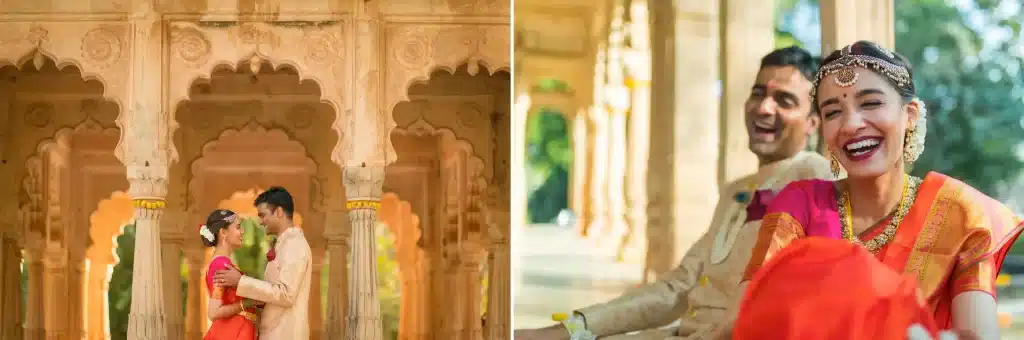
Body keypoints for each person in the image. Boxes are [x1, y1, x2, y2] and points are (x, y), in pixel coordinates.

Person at [513, 46, 833, 340]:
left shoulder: (812, 177)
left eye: (785, 101)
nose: (764, 108)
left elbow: (774, 306)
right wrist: (573, 328)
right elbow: (679, 286)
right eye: (758, 94)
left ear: (813, 123)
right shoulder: (737, 190)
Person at [736, 41, 1024, 340]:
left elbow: (978, 336)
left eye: (870, 103)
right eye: (833, 112)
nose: (851, 124)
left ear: (909, 114)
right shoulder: (799, 205)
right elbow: (755, 316)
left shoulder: (958, 212)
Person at [213, 187, 312, 339]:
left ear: (279, 212)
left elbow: (285, 294)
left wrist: (241, 282)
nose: (260, 222)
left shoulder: (295, 244)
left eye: (263, 215)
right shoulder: (283, 244)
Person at [201, 209, 261, 340]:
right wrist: (246, 303)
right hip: (232, 333)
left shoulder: (224, 263)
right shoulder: (221, 265)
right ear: (223, 232)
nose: (243, 232)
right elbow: (214, 312)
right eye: (238, 227)